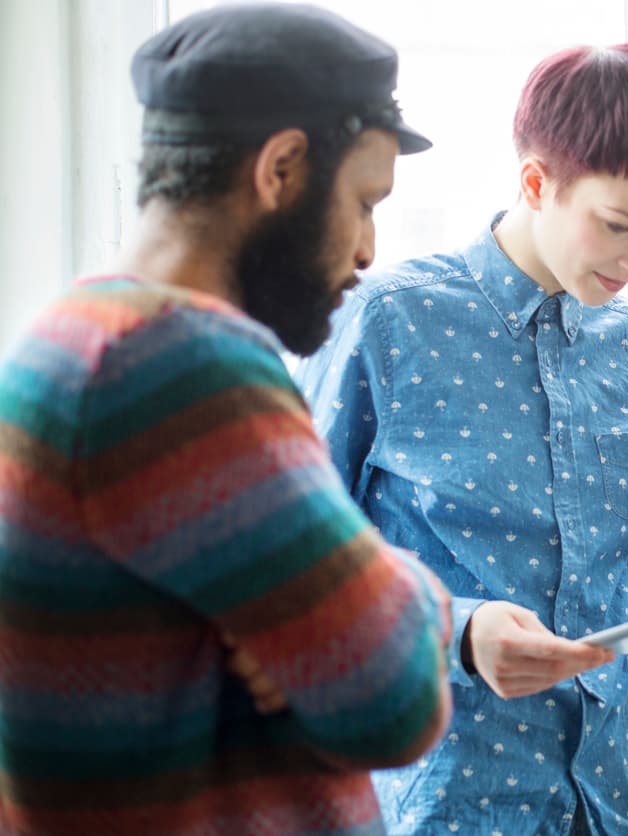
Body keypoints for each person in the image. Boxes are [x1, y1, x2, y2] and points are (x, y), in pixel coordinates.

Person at [293, 43, 628, 835]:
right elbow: (294, 581)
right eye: (619, 225)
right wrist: (459, 633)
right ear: (536, 182)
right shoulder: (388, 321)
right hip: (439, 803)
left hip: (609, 806)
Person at [0, 5, 453, 835]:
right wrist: (410, 595)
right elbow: (392, 697)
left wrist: (330, 622)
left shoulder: (74, 339)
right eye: (362, 200)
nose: (367, 250)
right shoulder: (180, 365)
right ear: (281, 169)